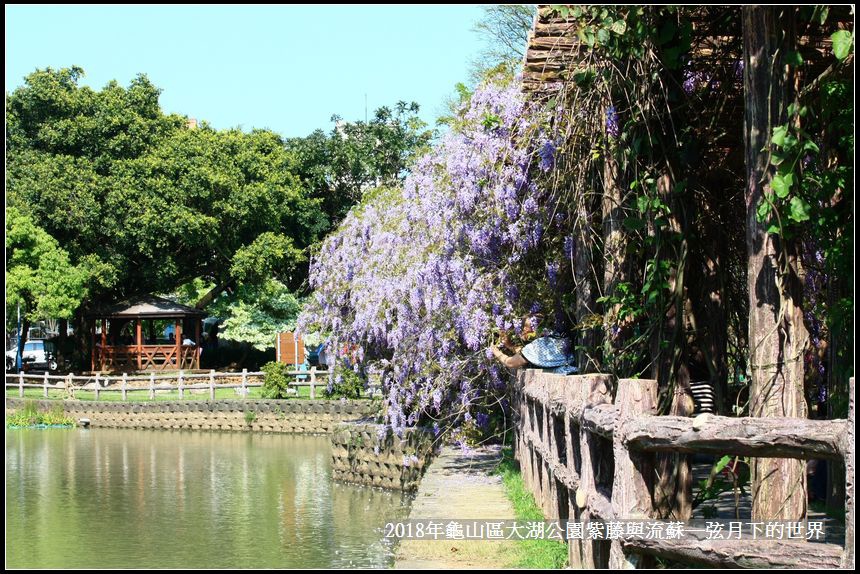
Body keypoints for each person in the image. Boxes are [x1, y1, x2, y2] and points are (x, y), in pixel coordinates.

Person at [489, 316, 578, 374]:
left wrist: (495, 351)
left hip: (566, 375)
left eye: (521, 328)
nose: (520, 333)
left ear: (527, 329)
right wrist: (510, 346)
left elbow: (510, 362)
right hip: (575, 366)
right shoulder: (552, 336)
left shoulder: (534, 347)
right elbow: (525, 353)